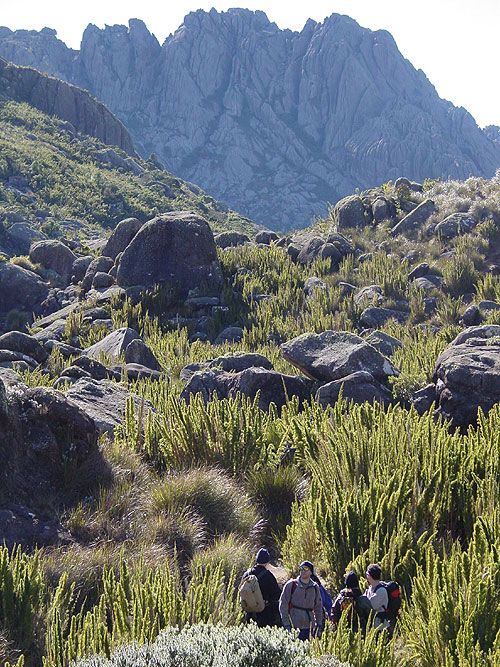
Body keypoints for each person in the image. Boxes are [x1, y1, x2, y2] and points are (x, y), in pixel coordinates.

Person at [279, 560, 324, 640]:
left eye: (306, 569)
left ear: (311, 572)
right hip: (294, 627)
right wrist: (287, 625)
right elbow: (283, 605)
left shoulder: (315, 587)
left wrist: (319, 625)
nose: (302, 571)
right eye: (301, 568)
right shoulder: (291, 585)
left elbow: (318, 608)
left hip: (309, 627)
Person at [241, 548, 281, 627]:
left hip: (249, 612)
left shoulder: (247, 574)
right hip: (264, 614)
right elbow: (276, 595)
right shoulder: (268, 576)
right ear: (267, 561)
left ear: (256, 559)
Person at [365, 564, 390, 631]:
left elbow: (371, 606)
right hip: (373, 625)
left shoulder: (381, 591)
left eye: (367, 574)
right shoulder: (371, 588)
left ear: (370, 576)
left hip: (381, 626)